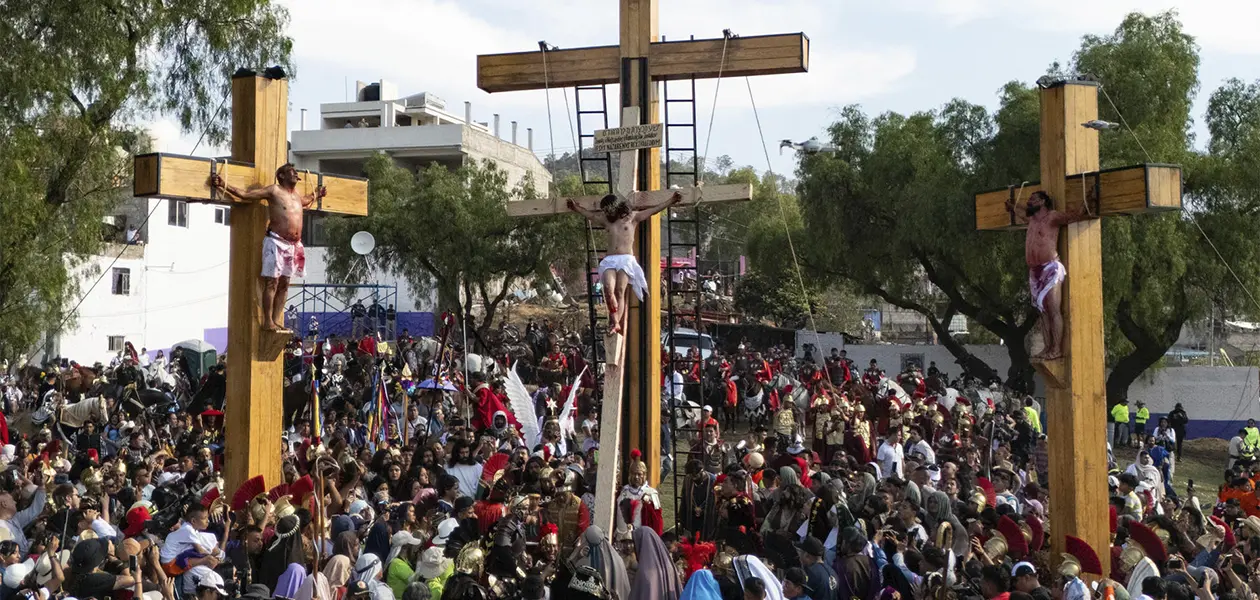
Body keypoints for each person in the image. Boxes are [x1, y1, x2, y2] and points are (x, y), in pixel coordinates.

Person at [212, 163, 326, 331]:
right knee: (272, 282)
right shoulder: (274, 190)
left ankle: (276, 319)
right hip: (276, 241)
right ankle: (268, 321)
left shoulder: (296, 195)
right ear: (282, 176)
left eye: (296, 173)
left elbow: (307, 200)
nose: (296, 175)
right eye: (292, 172)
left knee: (285, 284)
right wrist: (224, 184)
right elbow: (246, 195)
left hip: (293, 245)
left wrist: (317, 193)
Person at [567, 190, 683, 335]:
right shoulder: (606, 220)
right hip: (610, 259)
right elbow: (590, 215)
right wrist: (575, 208)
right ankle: (614, 319)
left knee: (620, 291)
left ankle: (615, 322)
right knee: (608, 289)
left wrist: (671, 200)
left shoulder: (632, 217)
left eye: (607, 209)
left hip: (626, 259)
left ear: (615, 207)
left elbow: (654, 210)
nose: (606, 213)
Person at [1006, 190, 1088, 360]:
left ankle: (1056, 349)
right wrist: (1013, 206)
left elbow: (1073, 217)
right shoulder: (1031, 220)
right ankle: (1047, 347)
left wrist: (1086, 201)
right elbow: (1021, 212)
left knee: (1053, 309)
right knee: (1042, 311)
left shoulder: (1052, 217)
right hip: (1034, 271)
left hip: (1050, 268)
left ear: (1043, 201)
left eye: (1033, 199)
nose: (1029, 202)